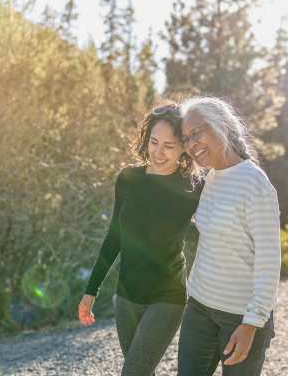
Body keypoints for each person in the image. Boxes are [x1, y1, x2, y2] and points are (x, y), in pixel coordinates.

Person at [78, 103, 202, 376]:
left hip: (167, 297)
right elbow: (114, 236)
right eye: (154, 142)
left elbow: (215, 230)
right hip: (126, 297)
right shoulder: (128, 179)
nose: (158, 152)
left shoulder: (192, 186)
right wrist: (91, 290)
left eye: (169, 145)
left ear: (183, 147)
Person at [177, 97, 281, 376]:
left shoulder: (254, 182)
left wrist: (251, 324)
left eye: (196, 133)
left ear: (221, 125)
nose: (191, 144)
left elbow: (269, 261)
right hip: (199, 308)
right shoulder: (208, 179)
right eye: (186, 138)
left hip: (240, 317)